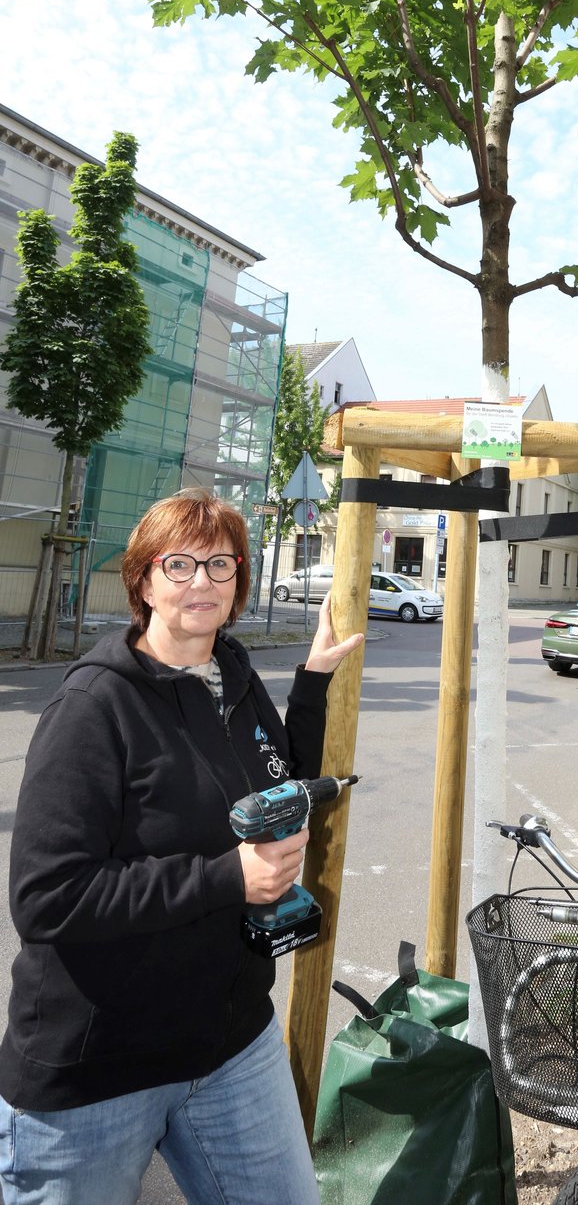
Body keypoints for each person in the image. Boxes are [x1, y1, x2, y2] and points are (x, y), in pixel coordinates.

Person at [0, 489, 364, 1205]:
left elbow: (275, 778)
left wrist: (313, 683)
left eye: (220, 564)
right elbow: (47, 896)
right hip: (97, 1070)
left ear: (238, 583)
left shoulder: (233, 676)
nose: (202, 580)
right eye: (180, 563)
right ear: (143, 580)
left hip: (230, 1044)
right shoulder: (94, 708)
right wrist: (228, 877)